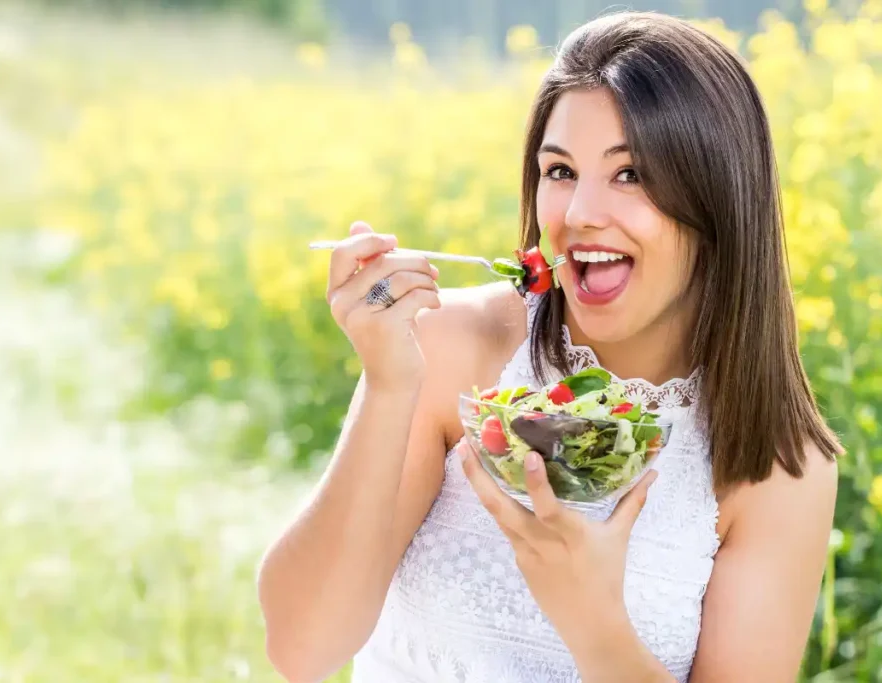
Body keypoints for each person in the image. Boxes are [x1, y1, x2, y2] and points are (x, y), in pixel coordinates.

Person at [257, 10, 843, 683]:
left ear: (718, 202)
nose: (579, 213)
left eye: (630, 175)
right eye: (559, 171)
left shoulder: (779, 465)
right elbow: (301, 650)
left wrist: (592, 621)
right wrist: (389, 386)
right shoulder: (447, 349)